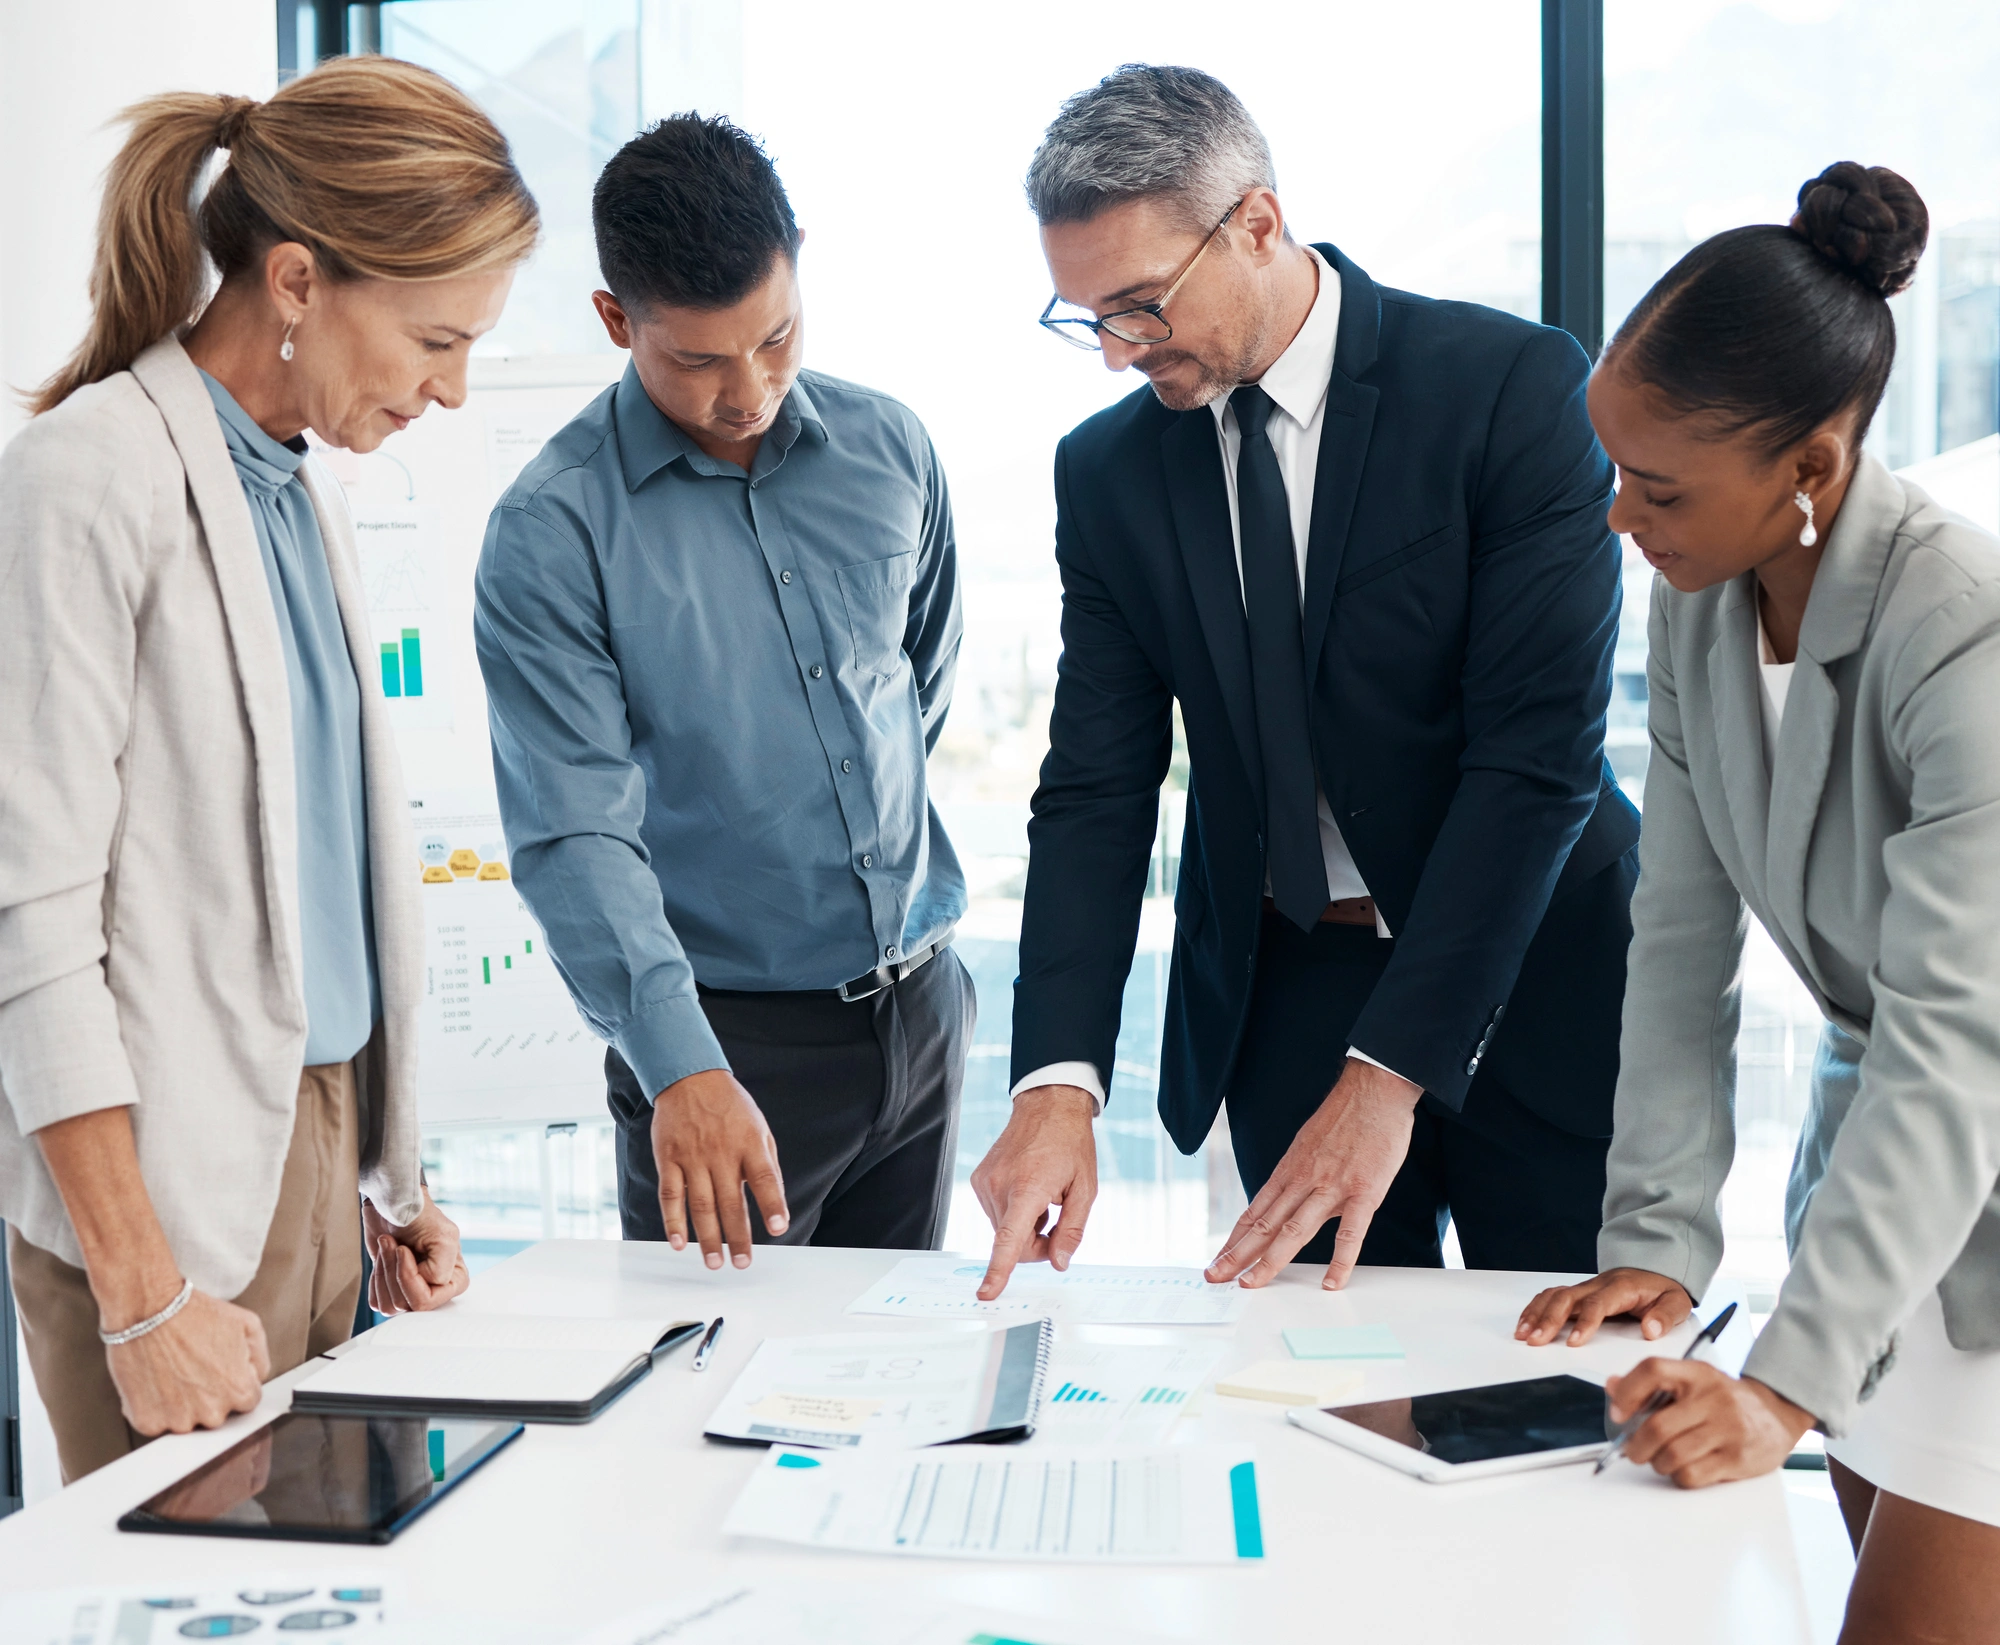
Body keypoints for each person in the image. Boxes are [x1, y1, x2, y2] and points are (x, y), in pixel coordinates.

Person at [971, 64, 1640, 1301]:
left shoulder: (1508, 389)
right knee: (1318, 1395)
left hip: (1536, 968)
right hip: (1288, 986)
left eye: (1137, 306)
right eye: (1087, 319)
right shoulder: (1107, 474)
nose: (1116, 354)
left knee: (1558, 1378)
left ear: (1257, 225)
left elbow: (1533, 763)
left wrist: (1388, 1071)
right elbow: (1095, 790)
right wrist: (1057, 1083)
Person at [0, 57, 538, 1481]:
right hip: (162, 1215)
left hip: (317, 1156)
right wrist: (139, 1291)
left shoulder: (299, 492)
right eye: (435, 337)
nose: (449, 386)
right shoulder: (86, 477)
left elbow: (310, 885)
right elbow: (30, 922)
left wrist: (386, 1176)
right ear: (296, 281)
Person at [1516, 163, 2000, 1641]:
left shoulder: (1965, 628)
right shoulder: (1697, 602)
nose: (1618, 517)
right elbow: (1679, 935)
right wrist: (1660, 1233)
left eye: (1657, 488)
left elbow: (1954, 1041)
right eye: (1613, 470)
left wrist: (1783, 1381)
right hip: (1884, 1198)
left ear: (1813, 465)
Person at [475, 115, 973, 1273]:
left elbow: (914, 692)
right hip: (721, 1050)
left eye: (776, 338)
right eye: (698, 360)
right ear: (615, 321)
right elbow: (573, 830)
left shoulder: (891, 449)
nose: (747, 389)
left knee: (893, 1387)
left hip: (921, 1010)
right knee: (708, 1404)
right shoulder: (552, 531)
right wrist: (680, 1067)